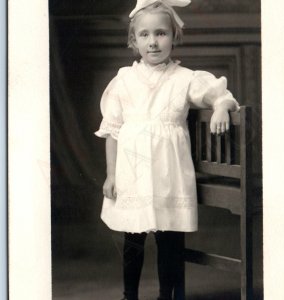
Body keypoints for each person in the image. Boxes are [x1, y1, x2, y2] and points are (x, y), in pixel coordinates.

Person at [94, 1, 240, 299]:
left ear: (174, 36)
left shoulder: (185, 78)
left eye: (161, 33)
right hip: (133, 170)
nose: (153, 42)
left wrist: (222, 107)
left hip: (168, 171)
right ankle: (129, 295)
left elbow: (219, 94)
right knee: (133, 237)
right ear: (133, 41)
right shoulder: (123, 80)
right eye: (145, 35)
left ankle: (166, 295)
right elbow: (112, 131)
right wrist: (111, 175)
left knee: (169, 237)